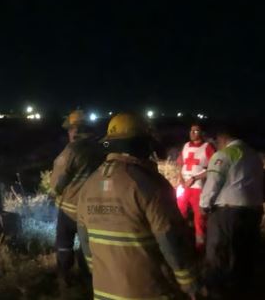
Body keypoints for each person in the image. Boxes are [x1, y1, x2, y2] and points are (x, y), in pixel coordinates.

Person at [77, 113, 199, 300]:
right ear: (141, 143)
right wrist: (189, 281)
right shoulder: (150, 184)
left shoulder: (89, 185)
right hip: (146, 292)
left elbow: (85, 243)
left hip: (103, 292)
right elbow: (170, 238)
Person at [199, 124, 264, 296]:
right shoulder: (254, 155)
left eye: (217, 141)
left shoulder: (224, 154)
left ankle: (216, 292)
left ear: (222, 138)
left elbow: (213, 182)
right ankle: (241, 290)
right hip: (253, 212)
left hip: (227, 213)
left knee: (219, 254)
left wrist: (204, 205)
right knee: (244, 254)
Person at [50, 110, 104, 285]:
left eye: (70, 129)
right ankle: (88, 279)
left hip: (70, 209)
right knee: (87, 246)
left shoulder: (72, 150)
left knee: (64, 244)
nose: (69, 133)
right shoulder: (102, 148)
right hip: (94, 210)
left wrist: (54, 193)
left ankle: (64, 279)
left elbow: (58, 181)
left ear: (77, 129)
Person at [177, 123, 216, 251]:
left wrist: (194, 178)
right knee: (179, 214)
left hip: (198, 187)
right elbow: (180, 164)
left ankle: (200, 247)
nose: (193, 133)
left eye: (196, 130)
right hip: (184, 187)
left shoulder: (207, 147)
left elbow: (213, 168)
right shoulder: (186, 146)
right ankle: (180, 242)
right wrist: (181, 179)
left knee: (199, 219)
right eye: (191, 130)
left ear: (202, 133)